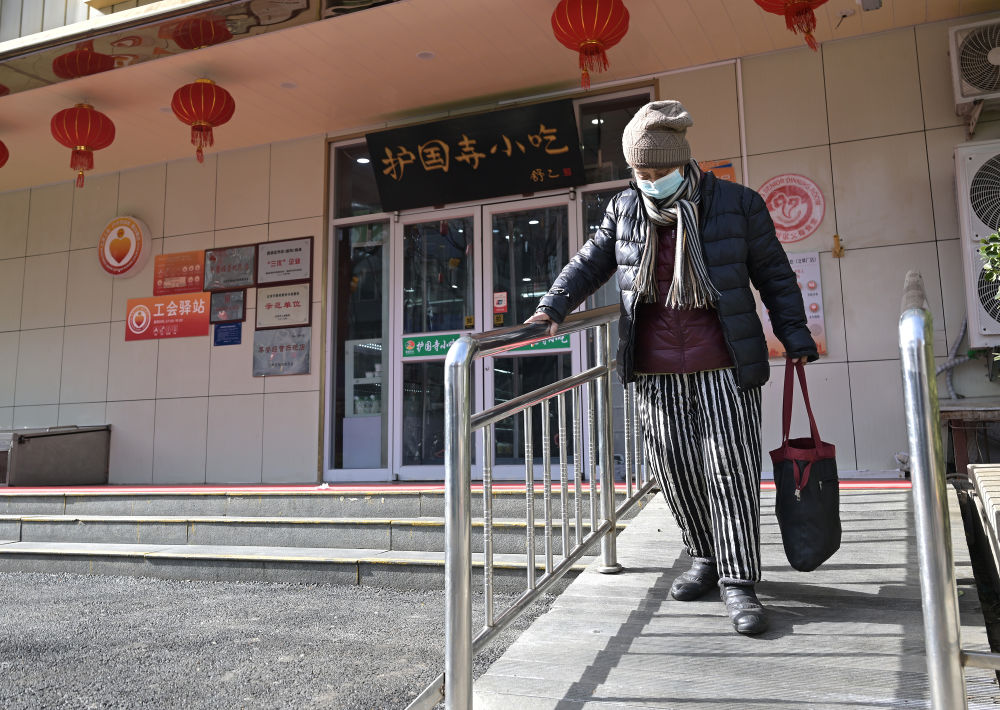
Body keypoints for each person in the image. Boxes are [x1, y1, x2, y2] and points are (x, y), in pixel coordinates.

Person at [526, 100, 817, 636]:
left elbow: (774, 274)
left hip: (723, 362)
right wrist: (552, 307)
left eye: (657, 171)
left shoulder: (738, 205)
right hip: (655, 368)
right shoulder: (625, 209)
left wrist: (793, 334)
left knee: (729, 471)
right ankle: (703, 555)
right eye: (640, 171)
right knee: (675, 470)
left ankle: (738, 579)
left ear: (682, 162)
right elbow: (589, 262)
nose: (649, 181)